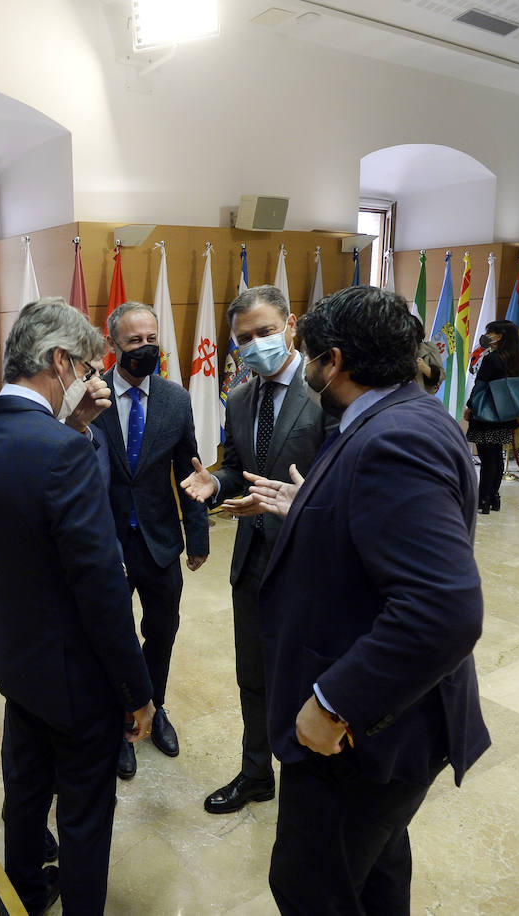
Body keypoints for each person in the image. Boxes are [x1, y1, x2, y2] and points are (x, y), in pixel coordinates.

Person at [251, 285, 491, 914]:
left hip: (367, 733)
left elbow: (444, 608)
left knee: (308, 887)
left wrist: (334, 703)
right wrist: (307, 504)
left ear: (334, 362)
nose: (303, 367)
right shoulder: (397, 415)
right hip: (387, 737)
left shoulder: (394, 439)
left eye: (307, 355)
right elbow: (376, 532)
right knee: (379, 871)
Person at [0, 298, 155, 915]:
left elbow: (25, 507)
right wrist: (137, 690)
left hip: (17, 655)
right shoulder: (64, 453)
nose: (93, 381)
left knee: (25, 783)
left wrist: (73, 429)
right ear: (60, 362)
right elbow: (101, 588)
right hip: (75, 673)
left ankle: (27, 889)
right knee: (85, 814)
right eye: (88, 368)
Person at [179, 285, 331, 815]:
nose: (256, 344)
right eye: (245, 338)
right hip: (252, 560)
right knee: (254, 675)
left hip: (309, 559)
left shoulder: (324, 393)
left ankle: (308, 779)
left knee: (309, 677)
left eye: (266, 332)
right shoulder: (240, 396)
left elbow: (338, 477)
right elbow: (237, 463)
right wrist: (215, 485)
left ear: (291, 326)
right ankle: (254, 773)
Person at [90, 301, 208, 779]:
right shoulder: (89, 400)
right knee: (110, 638)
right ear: (113, 344)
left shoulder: (176, 400)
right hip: (106, 545)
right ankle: (120, 722)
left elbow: (191, 469)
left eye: (151, 339)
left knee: (161, 633)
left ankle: (153, 709)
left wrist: (197, 537)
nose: (145, 348)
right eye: (135, 340)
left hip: (159, 543)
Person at [464, 319, 519, 514]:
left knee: (487, 458)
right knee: (497, 457)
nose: (487, 335)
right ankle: (494, 497)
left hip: (485, 414)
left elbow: (480, 385)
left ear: (499, 336)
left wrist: (470, 406)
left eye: (490, 332)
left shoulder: (492, 359)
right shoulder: (513, 358)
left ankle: (483, 499)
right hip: (503, 414)